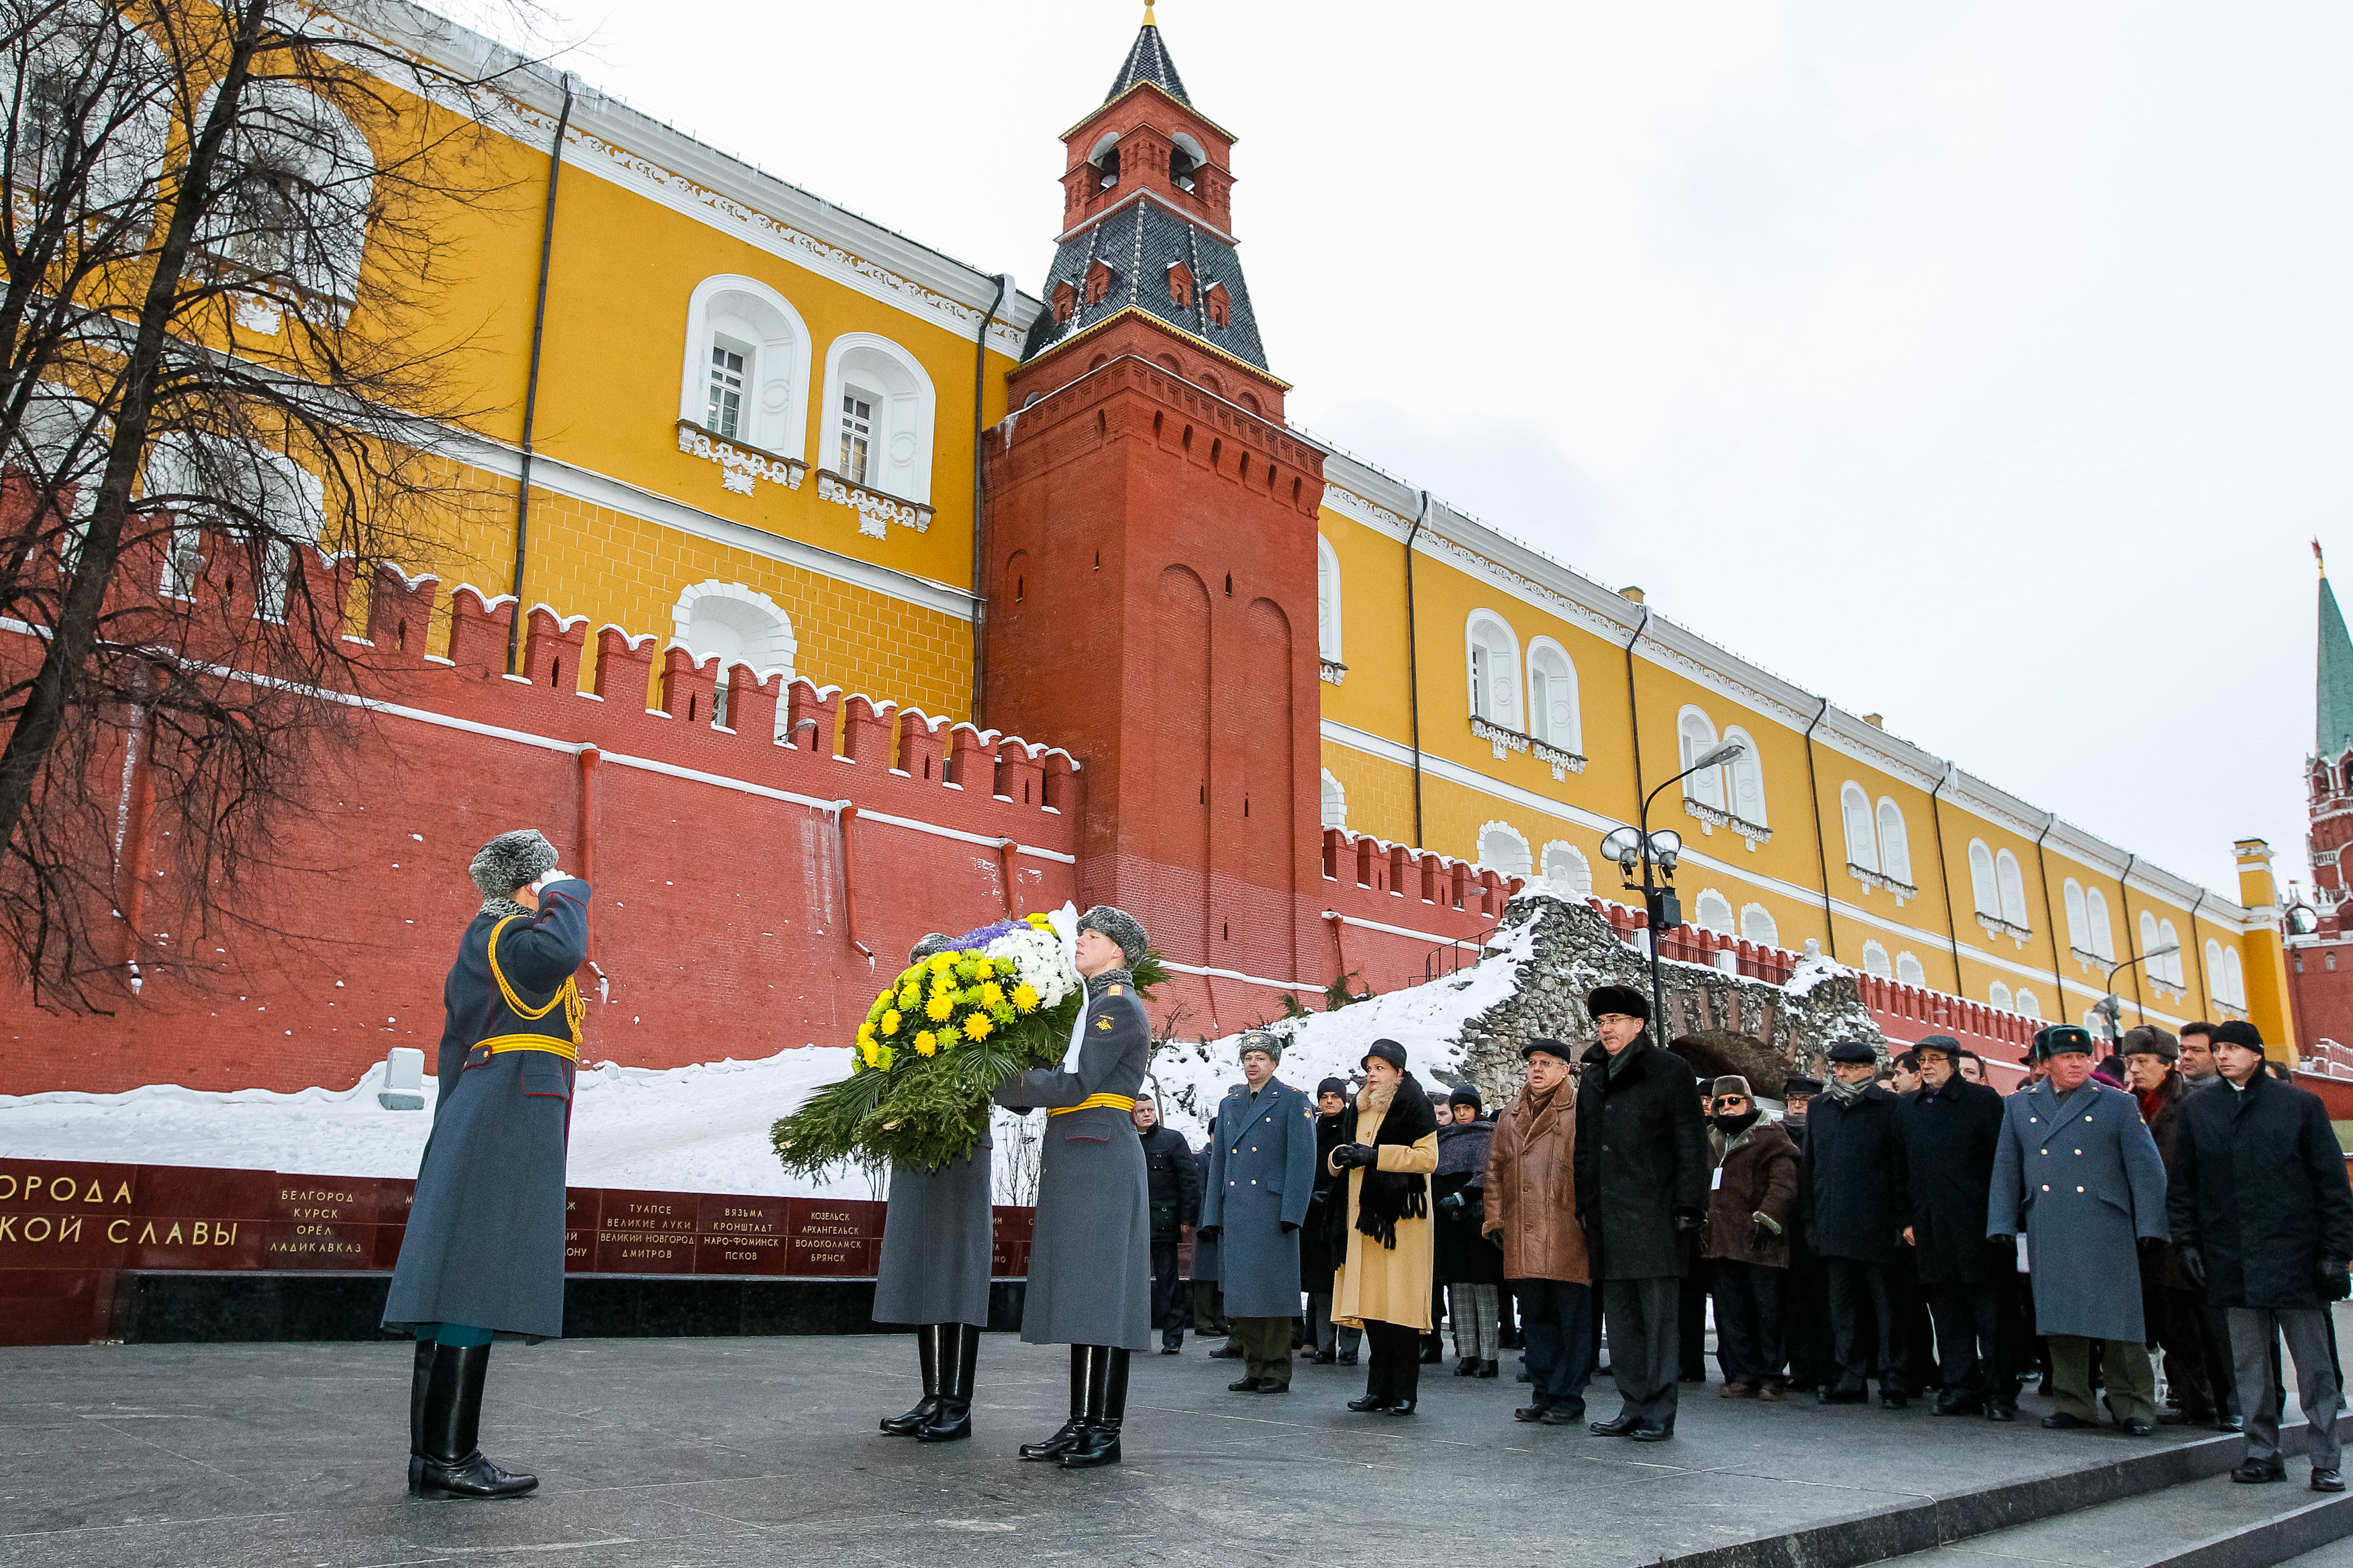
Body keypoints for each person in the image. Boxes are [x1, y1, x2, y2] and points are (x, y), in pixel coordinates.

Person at [384, 828, 589, 1500]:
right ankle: (451, 1457)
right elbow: (563, 949)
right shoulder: (508, 933)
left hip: (485, 1106)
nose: (555, 886)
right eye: (546, 877)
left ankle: (434, 1457)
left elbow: (453, 1044)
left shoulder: (486, 939)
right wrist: (566, 890)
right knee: (476, 1269)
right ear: (528, 883)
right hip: (507, 1108)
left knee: (460, 1268)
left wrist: (454, 1121)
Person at [992, 904, 1154, 1468]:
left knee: (1103, 1296)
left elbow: (1078, 1081)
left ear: (1118, 951)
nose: (1080, 942)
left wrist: (1000, 1078)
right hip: (1084, 1152)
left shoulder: (1116, 1007)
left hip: (1100, 1154)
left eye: (1092, 936)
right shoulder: (1095, 1005)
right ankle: (1081, 1421)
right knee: (1086, 1294)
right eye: (1081, 933)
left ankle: (1104, 1430)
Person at [2170, 1020, 2353, 1490]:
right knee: (2249, 1366)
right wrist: (2187, 1243)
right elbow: (2184, 1187)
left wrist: (2336, 1254)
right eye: (2218, 1048)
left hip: (2296, 1257)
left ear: (2256, 1052)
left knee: (2314, 1368)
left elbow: (2333, 1187)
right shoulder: (2198, 1110)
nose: (2224, 1055)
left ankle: (2326, 1457)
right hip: (2231, 1258)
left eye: (2232, 1047)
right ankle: (2261, 1453)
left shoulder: (2300, 1105)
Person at [1988, 1024, 2168, 1436]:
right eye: (2067, 1057)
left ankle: (2134, 1406)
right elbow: (2005, 1169)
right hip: (2048, 1221)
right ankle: (2074, 1402)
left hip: (2107, 1224)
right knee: (2061, 1317)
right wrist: (2000, 1222)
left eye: (2083, 1056)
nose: (2077, 1064)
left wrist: (2152, 1226)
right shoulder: (2019, 1106)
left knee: (2121, 1321)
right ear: (2046, 1063)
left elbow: (2147, 1170)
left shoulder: (2117, 1104)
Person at [874, 935, 995, 1443]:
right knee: (923, 1271)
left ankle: (957, 1402)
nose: (921, 973)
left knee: (957, 1273)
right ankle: (933, 1394)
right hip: (914, 1155)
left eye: (931, 965)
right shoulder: (900, 1028)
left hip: (960, 1153)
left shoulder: (978, 1019)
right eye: (915, 965)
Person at [1575, 984, 1708, 1441]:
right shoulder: (1594, 1076)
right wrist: (1583, 1204)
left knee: (1657, 1322)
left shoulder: (1670, 1070)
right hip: (1608, 1219)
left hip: (1655, 1216)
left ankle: (1659, 1410)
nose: (1606, 1028)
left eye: (1614, 1020)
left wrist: (1689, 1205)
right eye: (1600, 1021)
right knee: (1624, 1321)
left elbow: (1691, 1142)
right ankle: (1633, 1403)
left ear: (1639, 1025)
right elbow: (1585, 1149)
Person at [2121, 1025, 2235, 1430]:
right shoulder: (2124, 1105)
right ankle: (2194, 1401)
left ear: (2167, 1065)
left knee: (2210, 1325)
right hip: (2145, 1234)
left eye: (2142, 1062)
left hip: (2190, 1230)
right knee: (2171, 1325)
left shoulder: (2196, 1103)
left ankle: (2229, 1404)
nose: (2133, 1069)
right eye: (2128, 1061)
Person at [1895, 1036, 2014, 1420]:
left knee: (1992, 1316)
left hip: (1980, 1226)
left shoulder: (1983, 1102)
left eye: (1934, 1059)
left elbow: (2003, 1166)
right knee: (1948, 1314)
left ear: (1953, 1062)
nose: (1926, 1066)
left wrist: (2002, 1219)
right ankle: (1958, 1387)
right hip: (1931, 1226)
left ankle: (1999, 1392)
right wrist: (1907, 1220)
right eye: (1921, 1059)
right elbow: (1901, 1171)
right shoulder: (1909, 1108)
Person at [1328, 1039, 1441, 1415]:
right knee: (1373, 1308)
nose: (1372, 1076)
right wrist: (1339, 1156)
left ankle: (1405, 1390)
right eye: (1369, 1068)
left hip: (1402, 1222)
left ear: (1399, 1073)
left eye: (1380, 1068)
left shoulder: (1415, 1105)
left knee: (1401, 1309)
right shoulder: (1358, 1108)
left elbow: (1427, 1159)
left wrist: (1375, 1156)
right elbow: (1344, 1152)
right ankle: (1378, 1388)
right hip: (1363, 1220)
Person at [1201, 1033, 1317, 1394]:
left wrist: (1294, 1211)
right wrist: (1212, 1213)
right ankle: (1253, 1366)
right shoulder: (1230, 1102)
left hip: (1272, 1210)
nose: (1253, 1063)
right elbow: (1219, 1161)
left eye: (1261, 1058)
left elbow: (1303, 1161)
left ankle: (1277, 1370)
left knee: (1273, 1293)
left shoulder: (1293, 1101)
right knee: (1242, 1294)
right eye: (1248, 1057)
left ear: (1275, 1063)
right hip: (1237, 1209)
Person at [1486, 1039, 1593, 1424]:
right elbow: (1494, 1170)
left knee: (1573, 1321)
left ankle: (1568, 1398)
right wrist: (1495, 1219)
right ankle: (1544, 1393)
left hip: (1567, 1229)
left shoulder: (1581, 1109)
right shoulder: (1510, 1115)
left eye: (1546, 1063)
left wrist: (1588, 1217)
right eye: (1532, 1062)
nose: (1536, 1069)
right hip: (1523, 1230)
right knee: (1536, 1320)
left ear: (1566, 1070)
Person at [1803, 1040, 1911, 1408]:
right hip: (1832, 1220)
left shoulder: (1892, 1107)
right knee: (1843, 1307)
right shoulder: (1820, 1107)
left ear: (1869, 1069)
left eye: (1848, 1067)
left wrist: (1902, 1222)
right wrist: (1811, 1219)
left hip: (1878, 1224)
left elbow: (1901, 1170)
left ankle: (1893, 1378)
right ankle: (1849, 1376)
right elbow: (1810, 1167)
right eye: (1837, 1067)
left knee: (1888, 1308)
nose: (1840, 1073)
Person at [1701, 1076, 1799, 1401]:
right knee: (1731, 1313)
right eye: (1721, 1103)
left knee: (1768, 1311)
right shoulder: (1711, 1140)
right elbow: (1700, 1185)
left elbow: (1784, 1185)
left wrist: (1768, 1219)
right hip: (1722, 1241)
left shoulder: (1772, 1136)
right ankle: (1740, 1375)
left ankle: (1772, 1376)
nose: (1728, 1108)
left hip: (1762, 1241)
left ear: (1748, 1101)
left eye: (1735, 1101)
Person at [1435, 1085, 1501, 1377]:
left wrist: (1462, 1197)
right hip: (1450, 1219)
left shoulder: (1488, 1135)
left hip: (1477, 1216)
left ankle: (1489, 1355)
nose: (1462, 1115)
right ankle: (1467, 1353)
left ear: (1477, 1109)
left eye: (1467, 1109)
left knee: (1484, 1286)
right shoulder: (1444, 1138)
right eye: (1458, 1109)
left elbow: (1487, 1174)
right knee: (1459, 1285)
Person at [1779, 1074, 1835, 1393]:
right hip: (1789, 1229)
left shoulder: (1825, 1131)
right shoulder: (1778, 1134)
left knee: (1824, 1302)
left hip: (1819, 1225)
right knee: (1796, 1303)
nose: (1797, 1105)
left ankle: (1827, 1368)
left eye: (1805, 1100)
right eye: (1793, 1099)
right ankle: (1802, 1370)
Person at [1134, 1096, 1203, 1355]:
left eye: (1150, 1109)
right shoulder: (1124, 1142)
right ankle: (1133, 1335)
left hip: (1164, 1223)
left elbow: (1189, 1182)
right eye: (1141, 1111)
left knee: (1168, 1282)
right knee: (1132, 1284)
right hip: (1132, 1225)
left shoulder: (1172, 1140)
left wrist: (1188, 1219)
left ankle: (1173, 1337)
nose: (1147, 1114)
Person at [1303, 1077, 1361, 1365]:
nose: (1329, 1102)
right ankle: (1325, 1344)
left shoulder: (1354, 1130)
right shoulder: (1311, 1131)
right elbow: (1303, 1168)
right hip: (1317, 1216)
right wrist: (1310, 1195)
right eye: (1324, 1097)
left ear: (1344, 1099)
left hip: (1347, 1213)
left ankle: (1349, 1346)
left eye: (1334, 1097)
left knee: (1349, 1280)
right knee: (1322, 1283)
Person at [2179, 1023, 2221, 1090]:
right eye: (2182, 1050)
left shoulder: (2233, 1096)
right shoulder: (2169, 1092)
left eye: (2197, 1051)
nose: (2186, 1056)